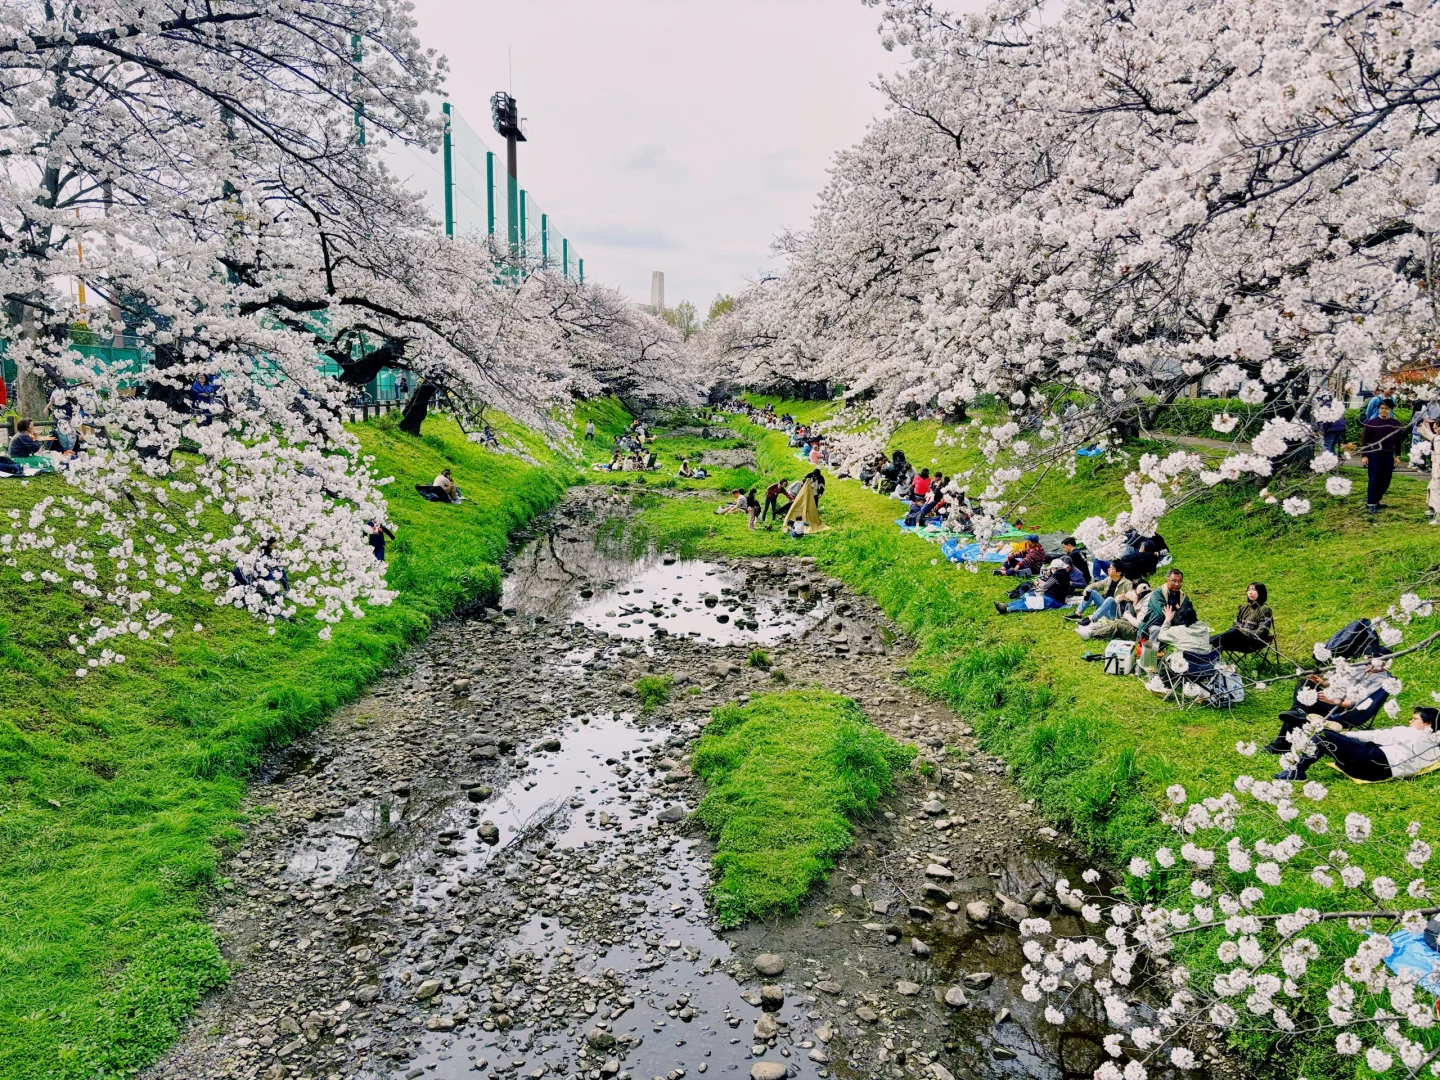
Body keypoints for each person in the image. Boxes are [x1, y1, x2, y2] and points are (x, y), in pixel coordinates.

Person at [1262, 658, 1392, 755]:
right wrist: (1322, 683)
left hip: (1342, 709)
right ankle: (1298, 711)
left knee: (1299, 712)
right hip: (1330, 696)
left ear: (1384, 664)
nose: (1367, 665)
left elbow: (1357, 703)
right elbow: (1336, 683)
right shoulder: (1360, 668)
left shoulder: (1381, 680)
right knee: (1305, 683)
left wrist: (1334, 701)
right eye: (1367, 661)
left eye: (1372, 663)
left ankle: (1283, 741)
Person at [1276, 707, 1440, 782]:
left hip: (1373, 761)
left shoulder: (1412, 733)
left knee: (1324, 735)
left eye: (1415, 719)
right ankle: (1313, 724)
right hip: (1376, 772)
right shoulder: (1435, 746)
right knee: (1330, 739)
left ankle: (1298, 771)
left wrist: (1346, 734)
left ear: (1428, 724)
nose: (1410, 721)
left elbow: (1378, 735)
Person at [1360, 399, 1405, 513]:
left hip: (1388, 453)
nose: (1383, 411)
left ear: (1390, 410)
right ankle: (1371, 503)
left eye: (1386, 408)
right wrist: (1364, 455)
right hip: (1374, 453)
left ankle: (1377, 499)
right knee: (1374, 478)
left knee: (1386, 478)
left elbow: (1398, 441)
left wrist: (1398, 456)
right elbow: (1364, 440)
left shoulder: (1395, 424)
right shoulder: (1371, 423)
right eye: (1381, 408)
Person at [1210, 582, 1274, 654]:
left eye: (1253, 590)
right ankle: (1212, 662)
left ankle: (1208, 641)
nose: (1250, 592)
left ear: (1261, 592)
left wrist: (1245, 635)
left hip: (1253, 642)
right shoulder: (1244, 608)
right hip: (1240, 639)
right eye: (1249, 590)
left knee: (1233, 632)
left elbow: (1263, 630)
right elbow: (1235, 624)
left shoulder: (1265, 609)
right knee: (1220, 641)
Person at [1137, 567, 1196, 641]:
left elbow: (1190, 613)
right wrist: (1180, 612)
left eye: (1179, 581)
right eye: (1174, 581)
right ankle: (1152, 651)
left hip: (1175, 623)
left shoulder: (1183, 596)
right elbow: (1162, 613)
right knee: (1156, 630)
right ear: (1167, 580)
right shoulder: (1158, 594)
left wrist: (1179, 614)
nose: (1177, 584)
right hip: (1157, 623)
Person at [995, 559, 1073, 614]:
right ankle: (1007, 605)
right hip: (1054, 599)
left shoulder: (1058, 575)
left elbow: (1044, 587)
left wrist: (1037, 584)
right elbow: (1052, 584)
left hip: (1053, 600)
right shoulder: (1065, 574)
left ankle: (1008, 608)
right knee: (1028, 599)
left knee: (1030, 603)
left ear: (1055, 568)